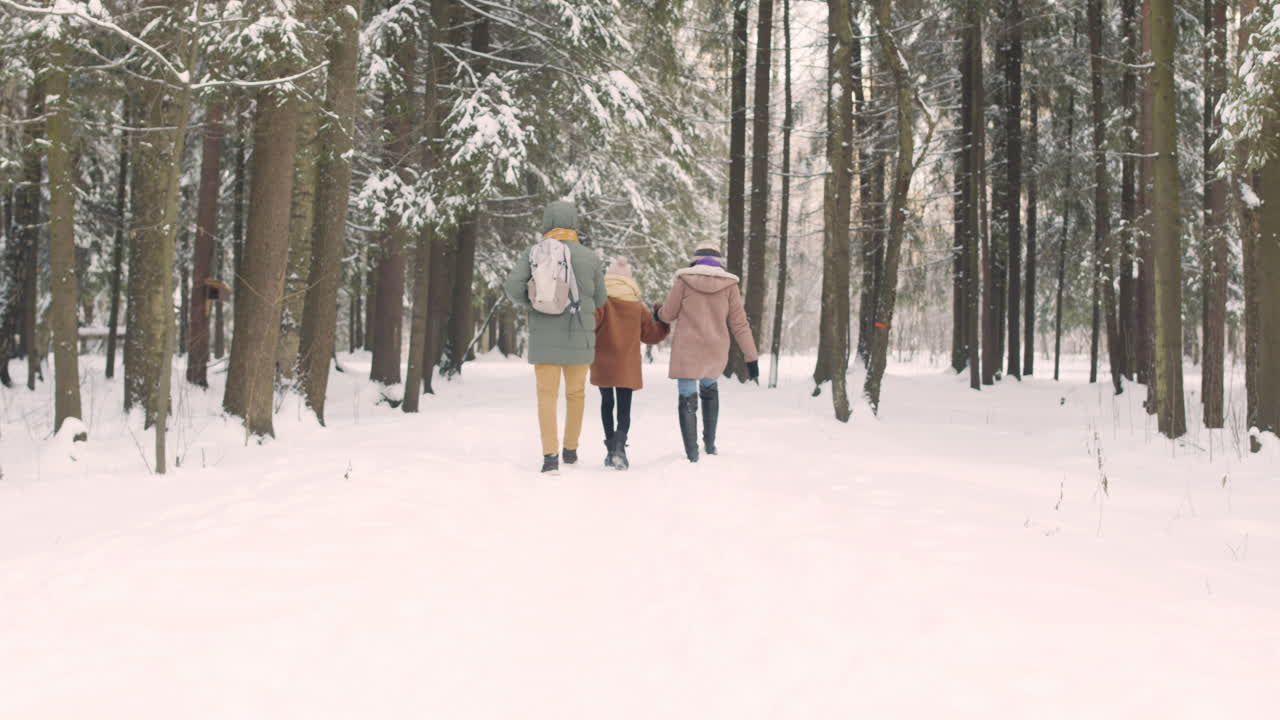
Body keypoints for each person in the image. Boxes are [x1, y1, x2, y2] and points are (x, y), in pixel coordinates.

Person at [503, 200, 608, 474]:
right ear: (573, 222)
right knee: (576, 395)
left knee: (546, 396)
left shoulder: (533, 253)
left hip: (544, 336)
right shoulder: (589, 256)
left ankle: (550, 456)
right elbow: (600, 299)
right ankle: (571, 451)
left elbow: (512, 289)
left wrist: (536, 301)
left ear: (547, 222)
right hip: (579, 336)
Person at [656, 241, 759, 462]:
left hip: (687, 347)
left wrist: (658, 314)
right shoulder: (729, 286)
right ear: (718, 262)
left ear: (695, 260)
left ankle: (692, 454)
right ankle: (710, 445)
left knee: (686, 395)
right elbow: (740, 324)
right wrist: (751, 358)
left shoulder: (684, 281)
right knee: (710, 389)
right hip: (715, 348)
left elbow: (668, 314)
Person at [590, 258, 670, 470]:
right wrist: (662, 320)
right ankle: (619, 446)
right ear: (629, 280)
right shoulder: (637, 307)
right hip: (627, 364)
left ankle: (610, 450)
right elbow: (651, 335)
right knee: (624, 409)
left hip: (603, 361)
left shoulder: (600, 302)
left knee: (607, 404)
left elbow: (589, 325)